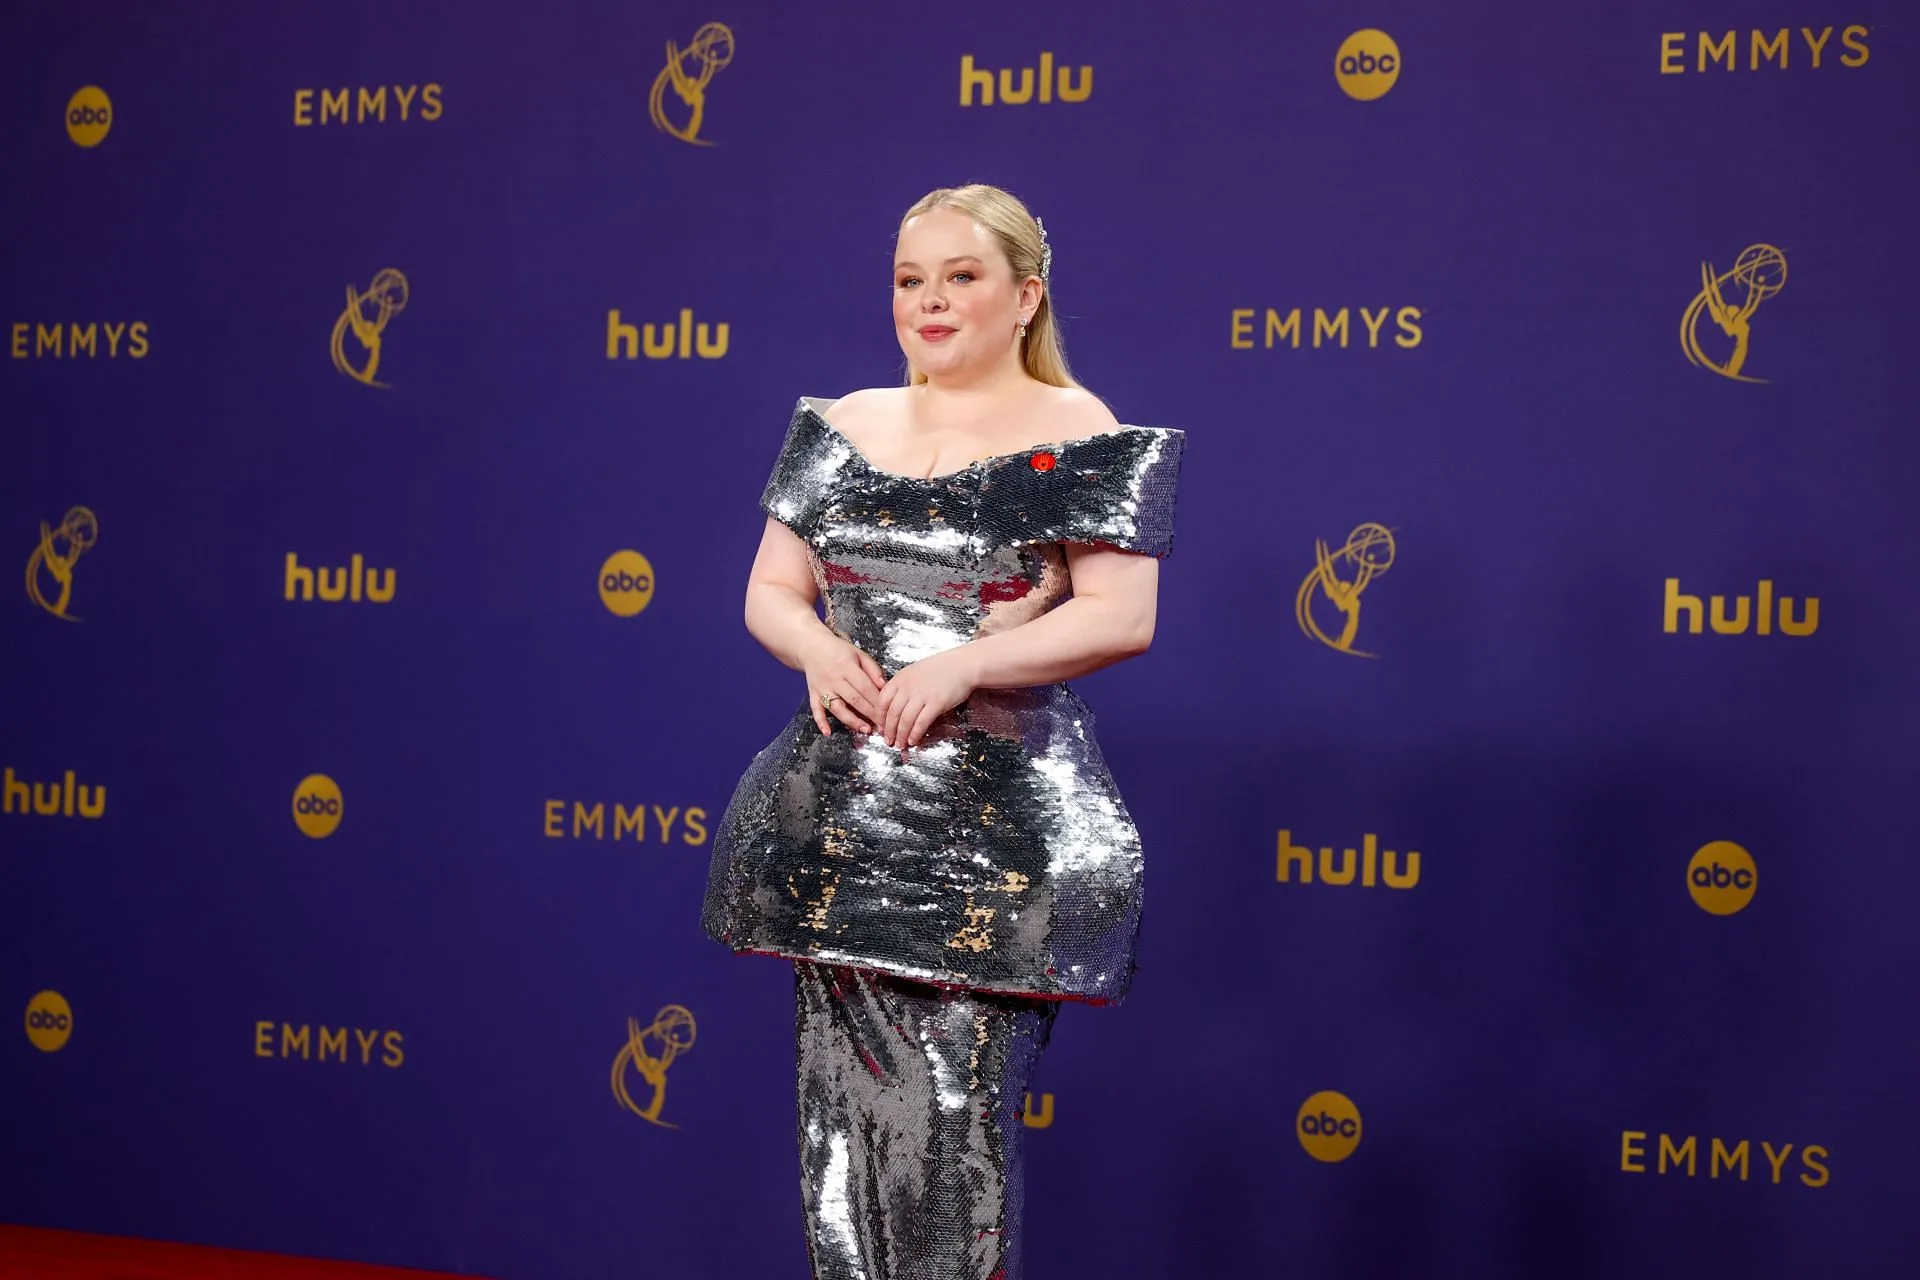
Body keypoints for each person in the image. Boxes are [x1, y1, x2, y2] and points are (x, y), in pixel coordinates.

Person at [701, 183, 1185, 1280]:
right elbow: (772, 591)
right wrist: (820, 648)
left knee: (952, 1126)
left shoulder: (1080, 428)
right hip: (836, 821)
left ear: (1025, 297)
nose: (929, 301)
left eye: (961, 277)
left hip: (989, 837)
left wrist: (962, 662)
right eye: (909, 279)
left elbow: (1123, 616)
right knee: (842, 1131)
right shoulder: (844, 422)